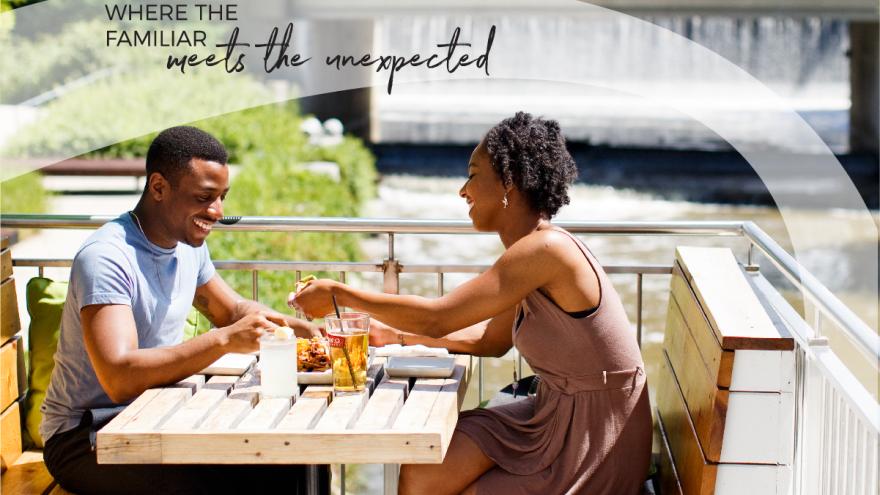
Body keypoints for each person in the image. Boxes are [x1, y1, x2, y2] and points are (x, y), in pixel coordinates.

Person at [292, 112, 652, 495]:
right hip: (552, 413)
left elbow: (439, 318)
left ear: (508, 183)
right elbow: (491, 340)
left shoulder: (547, 250)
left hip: (596, 436)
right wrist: (392, 335)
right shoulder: (532, 248)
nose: (463, 190)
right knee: (425, 470)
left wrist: (339, 293)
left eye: (473, 174)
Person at [40, 126, 324, 494]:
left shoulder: (187, 244)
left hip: (154, 417)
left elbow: (231, 311)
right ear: (158, 187)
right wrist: (223, 341)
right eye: (205, 197)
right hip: (86, 438)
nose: (218, 212)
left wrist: (297, 329)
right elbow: (119, 377)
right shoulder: (108, 258)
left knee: (293, 465)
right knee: (239, 481)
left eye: (222, 197)